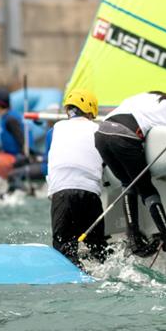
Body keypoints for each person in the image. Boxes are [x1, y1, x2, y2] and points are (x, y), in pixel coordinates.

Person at [94, 91, 166, 258]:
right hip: (124, 136)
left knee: (128, 184)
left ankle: (134, 240)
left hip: (101, 135)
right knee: (147, 190)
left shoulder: (141, 99)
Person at [46, 89, 108, 266]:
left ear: (68, 111)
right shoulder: (99, 130)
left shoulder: (54, 130)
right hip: (89, 193)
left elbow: (47, 165)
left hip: (61, 193)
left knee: (64, 250)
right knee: (99, 249)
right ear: (90, 112)